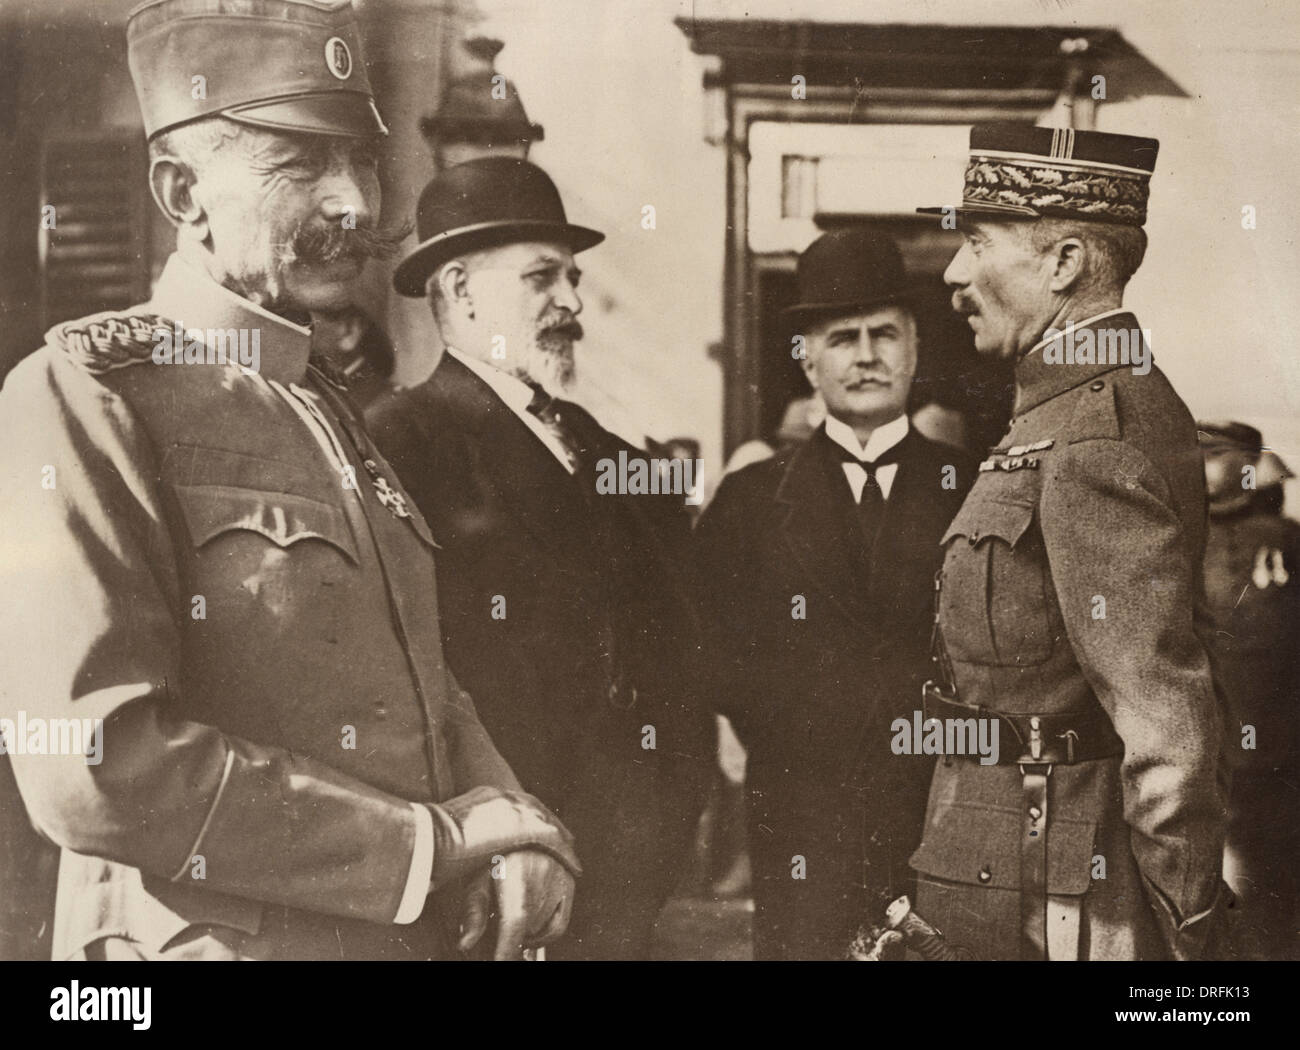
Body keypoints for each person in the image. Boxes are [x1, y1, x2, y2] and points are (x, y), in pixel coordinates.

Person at [0, 0, 579, 962]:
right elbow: (93, 761)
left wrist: (515, 824)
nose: (355, 203)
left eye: (359, 160)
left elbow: (424, 686)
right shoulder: (82, 399)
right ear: (181, 192)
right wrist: (430, 846)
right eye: (300, 163)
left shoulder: (333, 409)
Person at [367, 157, 712, 959]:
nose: (573, 304)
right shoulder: (400, 441)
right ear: (459, 289)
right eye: (542, 278)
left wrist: (666, 815)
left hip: (627, 875)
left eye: (574, 278)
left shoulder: (613, 452)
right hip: (496, 881)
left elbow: (683, 641)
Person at [909, 124, 1233, 960]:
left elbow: (1166, 731)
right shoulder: (1062, 407)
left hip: (1057, 897)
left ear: (1063, 264)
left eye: (976, 242)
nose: (953, 273)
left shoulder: (1096, 432)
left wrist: (1195, 947)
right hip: (1005, 868)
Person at [694, 226, 976, 959]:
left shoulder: (973, 488)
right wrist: (803, 734)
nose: (867, 355)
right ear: (807, 360)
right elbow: (714, 650)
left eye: (886, 333)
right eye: (842, 337)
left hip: (941, 807)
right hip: (802, 811)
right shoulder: (752, 498)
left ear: (915, 348)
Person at [1197, 420, 1299, 959]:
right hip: (1209, 752)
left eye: (1214, 454)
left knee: (1271, 892)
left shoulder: (1285, 541)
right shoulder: (1183, 541)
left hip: (1279, 758)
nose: (1203, 466)